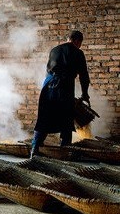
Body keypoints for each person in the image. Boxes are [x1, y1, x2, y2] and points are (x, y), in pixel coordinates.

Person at [31, 30, 90, 158]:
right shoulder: (78, 53)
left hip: (47, 86)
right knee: (67, 120)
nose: (80, 46)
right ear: (76, 41)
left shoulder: (54, 50)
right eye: (80, 43)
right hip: (65, 86)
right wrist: (85, 94)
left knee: (44, 118)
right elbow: (84, 76)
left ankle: (34, 150)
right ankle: (64, 153)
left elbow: (50, 70)